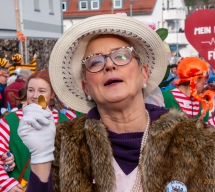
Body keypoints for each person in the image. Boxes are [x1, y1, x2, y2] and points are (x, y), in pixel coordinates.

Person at [18, 14, 215, 192]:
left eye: (121, 56)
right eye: (95, 62)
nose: (110, 65)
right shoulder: (63, 145)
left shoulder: (198, 142)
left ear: (144, 73)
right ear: (86, 87)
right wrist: (41, 159)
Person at [0, 70, 73, 192]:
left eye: (41, 91)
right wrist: (7, 184)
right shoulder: (9, 121)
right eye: (31, 90)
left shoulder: (66, 121)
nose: (34, 96)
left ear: (52, 94)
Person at [162, 57, 215, 125]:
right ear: (196, 79)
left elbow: (211, 131)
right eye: (206, 77)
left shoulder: (202, 103)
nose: (206, 82)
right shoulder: (165, 97)